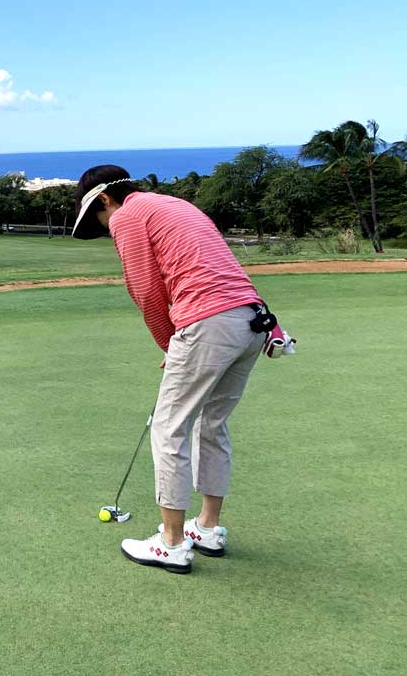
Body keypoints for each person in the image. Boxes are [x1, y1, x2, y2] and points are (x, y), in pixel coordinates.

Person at [71, 164, 267, 574]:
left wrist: (171, 344)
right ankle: (208, 528)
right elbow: (229, 271)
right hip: (252, 321)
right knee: (211, 424)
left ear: (105, 199)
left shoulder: (127, 214)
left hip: (207, 322)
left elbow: (144, 287)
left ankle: (172, 543)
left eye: (99, 219)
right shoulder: (176, 204)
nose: (107, 229)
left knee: (168, 428)